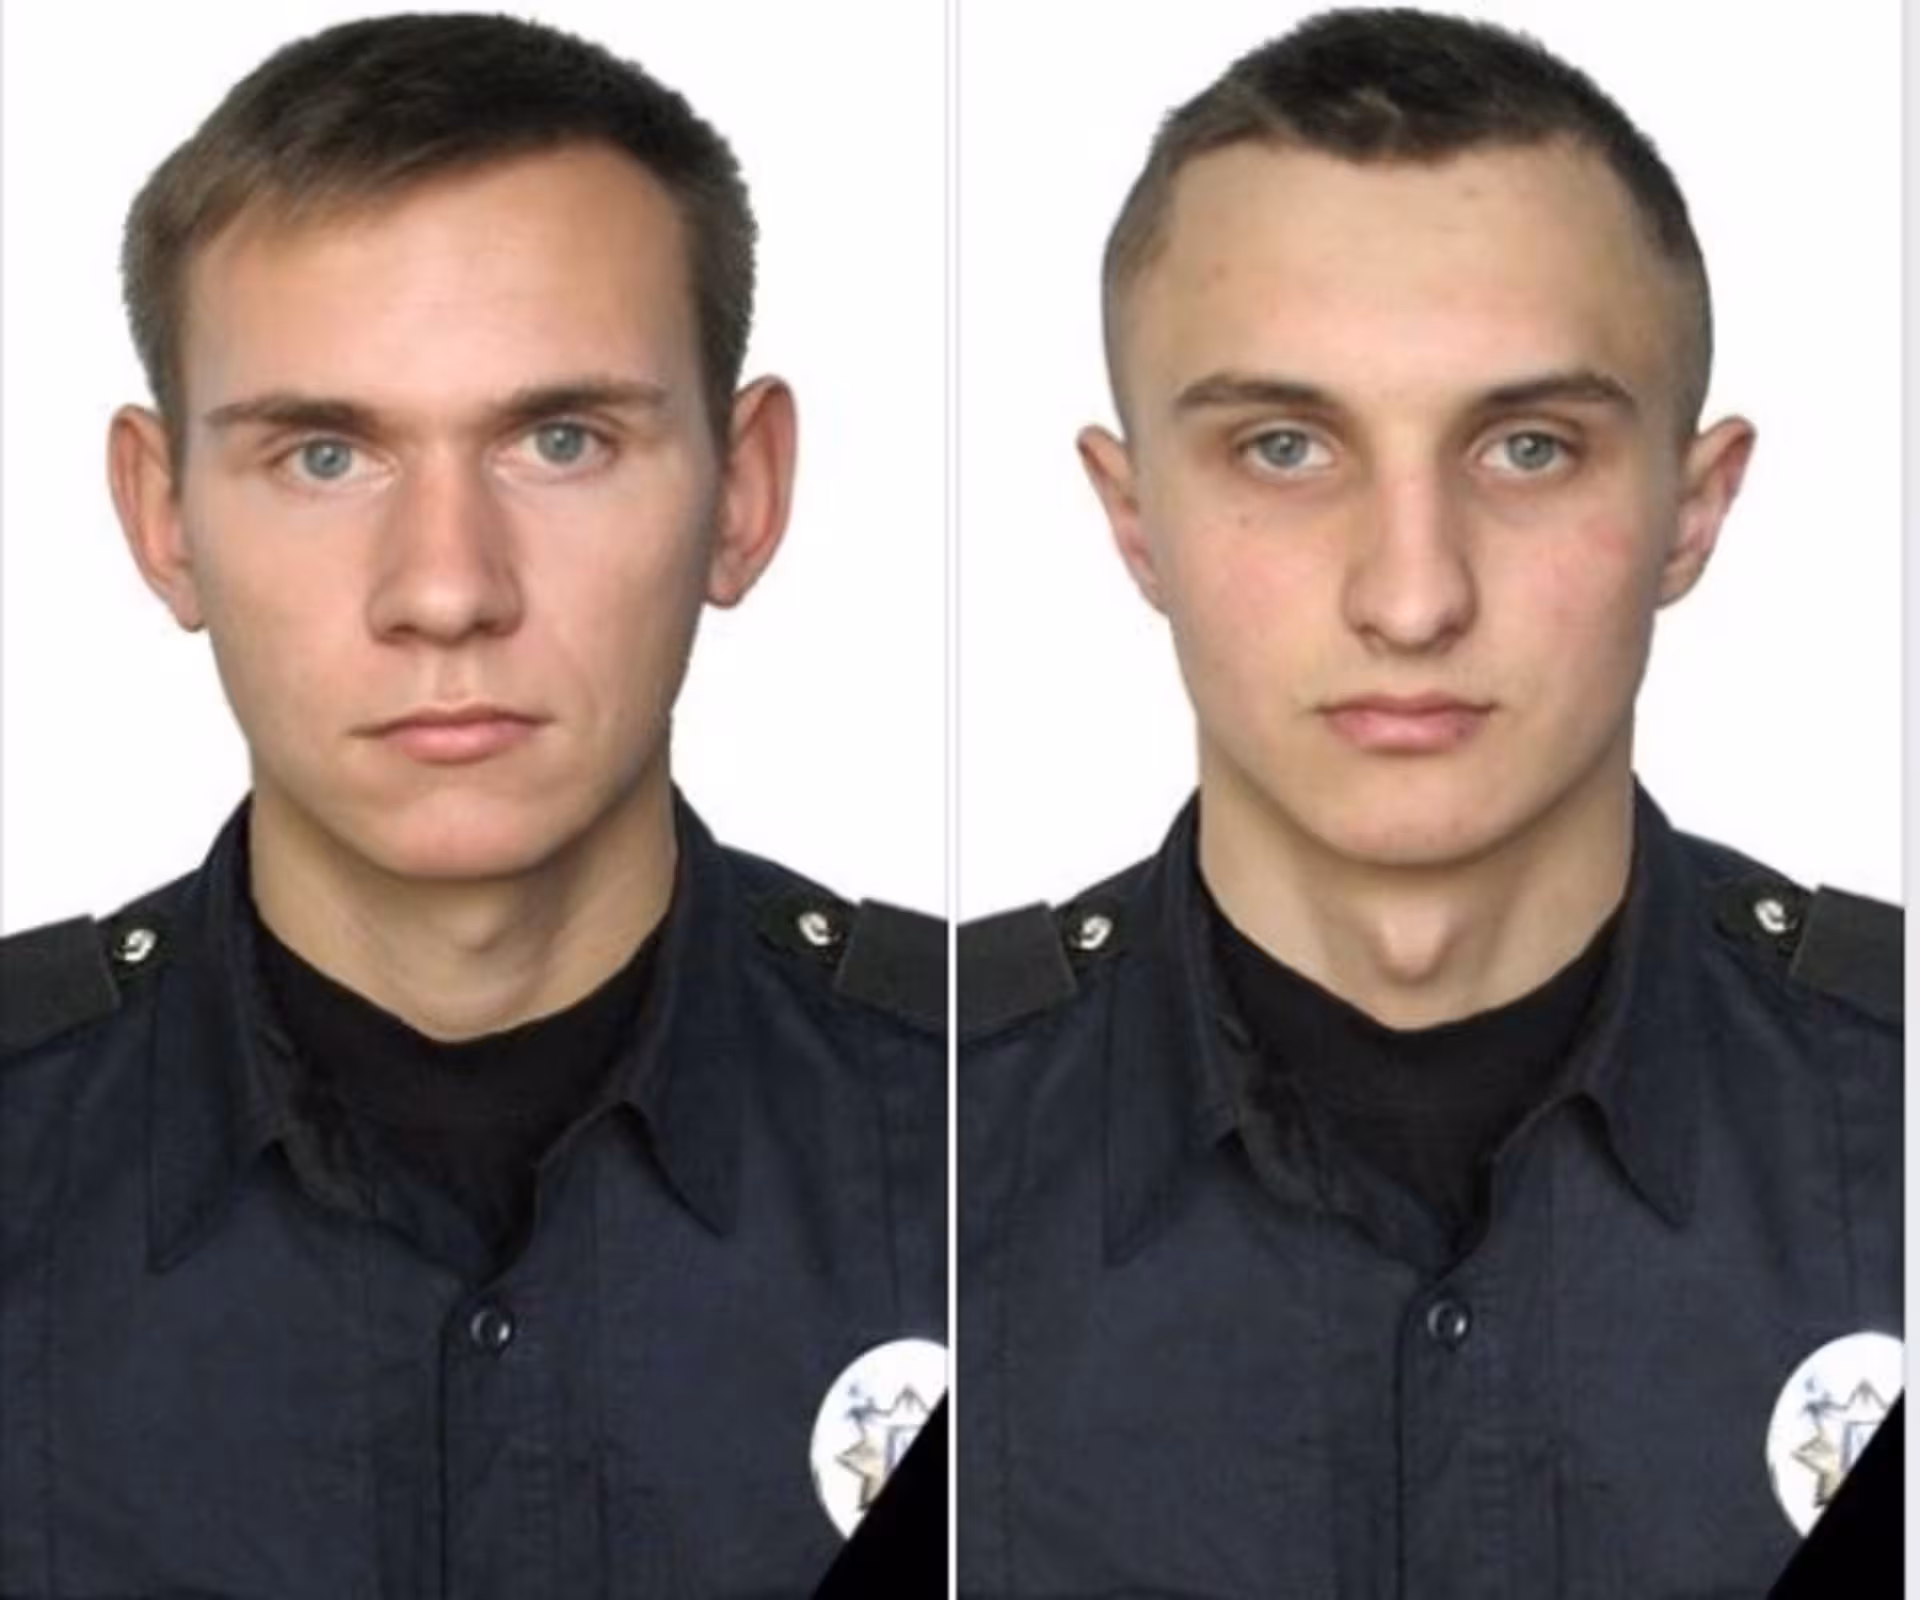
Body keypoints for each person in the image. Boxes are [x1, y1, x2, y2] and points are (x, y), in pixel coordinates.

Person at [956, 9, 1901, 1597]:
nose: (1412, 596)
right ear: (1135, 518)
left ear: (1693, 509)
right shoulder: (898, 1156)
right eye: (1284, 446)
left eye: (1528, 448)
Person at [0, 14, 944, 1598]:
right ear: (164, 520)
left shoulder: (1012, 1151)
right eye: (324, 456)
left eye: (560, 441)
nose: (445, 589)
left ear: (744, 491)